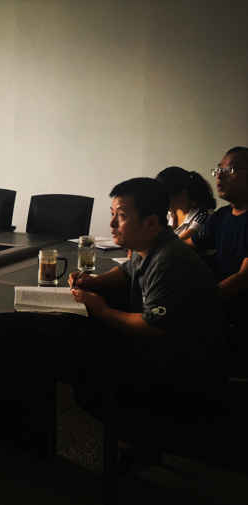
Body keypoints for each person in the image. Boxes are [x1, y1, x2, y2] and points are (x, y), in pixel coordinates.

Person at [69, 177, 224, 479]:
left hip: (187, 376)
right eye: (112, 213)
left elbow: (152, 327)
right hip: (166, 354)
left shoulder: (169, 259)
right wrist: (96, 282)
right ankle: (136, 438)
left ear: (151, 221)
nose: (112, 223)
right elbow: (129, 270)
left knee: (91, 382)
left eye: (122, 216)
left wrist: (102, 309)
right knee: (90, 349)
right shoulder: (152, 246)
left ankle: (136, 443)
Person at [189, 146, 248, 329]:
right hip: (219, 301)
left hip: (238, 311)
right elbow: (187, 247)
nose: (219, 176)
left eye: (231, 169)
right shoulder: (221, 216)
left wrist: (200, 302)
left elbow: (244, 278)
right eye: (219, 169)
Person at [155, 166, 216, 243]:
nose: (161, 202)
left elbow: (175, 244)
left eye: (164, 197)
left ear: (182, 194)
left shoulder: (204, 215)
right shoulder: (170, 213)